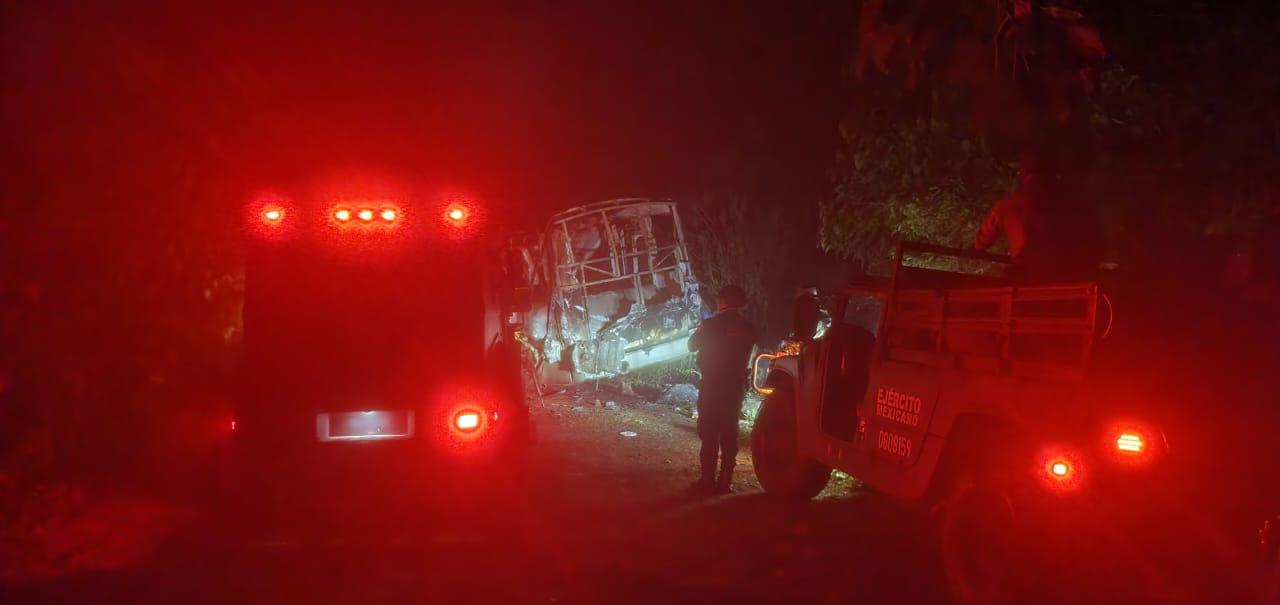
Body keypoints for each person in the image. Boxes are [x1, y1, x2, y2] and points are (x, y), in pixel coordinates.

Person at [974, 150, 1101, 282]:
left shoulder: (1009, 204)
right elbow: (1094, 240)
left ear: (1023, 172)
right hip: (1068, 276)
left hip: (1025, 277)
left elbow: (982, 239)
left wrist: (976, 249)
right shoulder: (1073, 204)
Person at [688, 284, 757, 494]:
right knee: (729, 432)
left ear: (722, 301)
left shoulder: (709, 324)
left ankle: (707, 480)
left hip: (711, 385)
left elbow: (691, 346)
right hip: (734, 387)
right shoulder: (748, 327)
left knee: (709, 432)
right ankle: (725, 480)